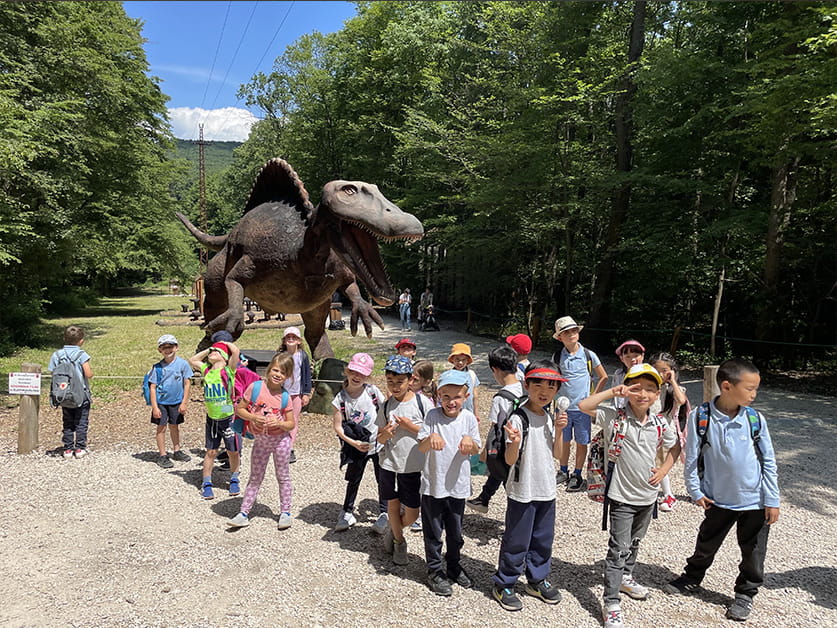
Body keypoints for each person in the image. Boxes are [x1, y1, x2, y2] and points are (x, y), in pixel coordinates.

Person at [665, 358, 779, 623]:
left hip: (755, 502)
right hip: (717, 499)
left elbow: (769, 461)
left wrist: (772, 499)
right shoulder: (701, 417)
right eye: (750, 389)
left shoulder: (755, 419)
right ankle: (692, 577)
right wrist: (695, 490)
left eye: (756, 389)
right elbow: (691, 457)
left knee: (753, 552)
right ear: (727, 386)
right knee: (706, 543)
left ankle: (745, 594)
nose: (754, 394)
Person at [578, 363, 679, 628]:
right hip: (621, 495)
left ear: (658, 394)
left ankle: (626, 576)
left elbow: (676, 447)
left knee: (635, 542)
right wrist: (613, 392)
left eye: (649, 389)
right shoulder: (615, 416)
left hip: (648, 497)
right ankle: (611, 601)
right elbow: (584, 406)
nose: (643, 394)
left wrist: (664, 470)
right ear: (627, 390)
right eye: (637, 388)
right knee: (618, 548)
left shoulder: (659, 423)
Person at [492, 360, 568, 611]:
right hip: (522, 488)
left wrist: (559, 430)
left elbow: (557, 455)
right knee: (517, 538)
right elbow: (510, 460)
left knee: (543, 538)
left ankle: (537, 579)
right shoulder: (518, 417)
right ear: (527, 385)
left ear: (557, 390)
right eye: (538, 384)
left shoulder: (548, 416)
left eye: (551, 386)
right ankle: (505, 582)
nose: (544, 391)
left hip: (546, 487)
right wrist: (513, 441)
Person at [417, 369, 481, 596]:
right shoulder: (432, 417)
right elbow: (421, 447)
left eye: (456, 396)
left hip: (457, 486)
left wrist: (469, 441)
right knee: (433, 530)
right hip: (433, 485)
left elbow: (477, 449)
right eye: (446, 396)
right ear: (438, 396)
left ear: (465, 397)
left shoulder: (469, 418)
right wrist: (429, 438)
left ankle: (453, 565)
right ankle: (434, 570)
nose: (451, 401)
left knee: (455, 532)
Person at [227, 353, 296, 530]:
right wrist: (253, 417)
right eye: (275, 370)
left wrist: (279, 423)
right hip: (261, 441)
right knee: (255, 477)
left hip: (281, 441)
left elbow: (290, 424)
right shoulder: (255, 388)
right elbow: (240, 409)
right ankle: (243, 513)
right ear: (268, 369)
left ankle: (285, 512)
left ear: (287, 377)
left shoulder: (285, 397)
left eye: (283, 373)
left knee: (283, 476)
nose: (278, 374)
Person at [376, 356, 427, 564]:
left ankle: (394, 528)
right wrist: (386, 434)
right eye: (390, 382)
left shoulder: (422, 403)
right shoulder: (386, 405)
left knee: (413, 512)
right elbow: (379, 436)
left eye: (399, 382)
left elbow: (432, 433)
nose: (395, 386)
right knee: (393, 503)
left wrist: (410, 426)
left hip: (414, 465)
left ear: (411, 380)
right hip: (389, 463)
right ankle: (399, 541)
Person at [331, 352, 389, 533]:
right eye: (354, 372)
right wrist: (353, 443)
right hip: (356, 446)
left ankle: (384, 513)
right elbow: (338, 427)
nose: (357, 377)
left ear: (368, 376)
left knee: (383, 479)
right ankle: (347, 511)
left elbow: (387, 410)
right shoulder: (340, 399)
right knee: (354, 478)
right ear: (347, 371)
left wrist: (384, 434)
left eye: (362, 374)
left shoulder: (372, 392)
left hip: (378, 444)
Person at [552, 316, 608, 491]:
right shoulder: (557, 356)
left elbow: (603, 376)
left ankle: (577, 474)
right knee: (564, 440)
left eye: (574, 330)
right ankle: (563, 471)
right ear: (560, 337)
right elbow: (552, 379)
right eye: (566, 332)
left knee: (582, 442)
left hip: (583, 409)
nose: (571, 335)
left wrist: (593, 398)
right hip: (563, 408)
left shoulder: (588, 354)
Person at [467, 345, 524, 514]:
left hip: (508, 445)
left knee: (508, 481)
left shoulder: (501, 397)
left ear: (495, 370)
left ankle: (517, 523)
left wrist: (485, 451)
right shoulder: (526, 387)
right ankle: (483, 499)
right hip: (525, 441)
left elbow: (495, 427)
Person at [188, 340, 242, 500]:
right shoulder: (207, 370)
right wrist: (209, 349)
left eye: (216, 352)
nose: (212, 353)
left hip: (227, 417)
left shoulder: (228, 370)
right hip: (211, 418)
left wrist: (224, 343)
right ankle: (206, 483)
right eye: (212, 352)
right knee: (211, 451)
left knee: (233, 451)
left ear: (224, 357)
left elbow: (236, 352)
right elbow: (193, 360)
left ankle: (234, 478)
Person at [649, 351, 690, 512]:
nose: (660, 374)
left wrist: (672, 381)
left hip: (665, 433)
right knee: (650, 463)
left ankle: (668, 495)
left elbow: (682, 401)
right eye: (656, 370)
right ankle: (656, 493)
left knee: (659, 465)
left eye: (664, 370)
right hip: (648, 430)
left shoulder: (676, 389)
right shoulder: (649, 387)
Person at [147, 334, 193, 468]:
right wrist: (155, 407)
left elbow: (187, 383)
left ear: (176, 347)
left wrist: (184, 402)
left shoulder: (183, 364)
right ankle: (162, 454)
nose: (168, 350)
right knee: (161, 428)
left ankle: (176, 450)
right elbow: (153, 387)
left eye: (170, 347)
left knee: (175, 426)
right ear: (159, 350)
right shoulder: (157, 367)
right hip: (161, 403)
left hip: (176, 402)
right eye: (164, 347)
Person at [49, 325, 93, 458]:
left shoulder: (57, 355)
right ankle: (79, 448)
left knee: (67, 422)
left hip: (63, 394)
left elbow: (53, 371)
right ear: (81, 341)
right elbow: (88, 373)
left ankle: (67, 449)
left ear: (64, 338)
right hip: (81, 394)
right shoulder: (81, 355)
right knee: (81, 422)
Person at [406, 359, 436, 533]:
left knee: (422, 482)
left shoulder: (426, 402)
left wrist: (407, 425)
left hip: (422, 449)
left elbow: (429, 430)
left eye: (415, 380)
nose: (410, 383)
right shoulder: (408, 397)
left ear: (426, 381)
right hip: (408, 449)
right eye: (409, 378)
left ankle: (421, 515)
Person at [278, 326, 312, 463]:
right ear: (284, 341)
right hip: (281, 393)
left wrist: (306, 393)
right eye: (288, 337)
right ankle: (280, 444)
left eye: (294, 337)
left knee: (293, 421)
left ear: (299, 340)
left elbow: (306, 375)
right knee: (280, 418)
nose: (291, 339)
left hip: (296, 393)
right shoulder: (280, 356)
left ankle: (290, 448)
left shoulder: (302, 356)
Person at [448, 343, 480, 421]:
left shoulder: (472, 374)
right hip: (454, 413)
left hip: (469, 412)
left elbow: (475, 396)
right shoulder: (448, 376)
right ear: (452, 360)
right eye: (457, 360)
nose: (460, 363)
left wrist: (476, 413)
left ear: (467, 361)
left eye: (463, 360)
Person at [610, 340, 647, 409]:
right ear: (621, 358)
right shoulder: (618, 374)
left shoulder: (648, 374)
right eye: (628, 356)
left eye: (636, 356)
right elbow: (614, 393)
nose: (632, 359)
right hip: (620, 411)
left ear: (642, 356)